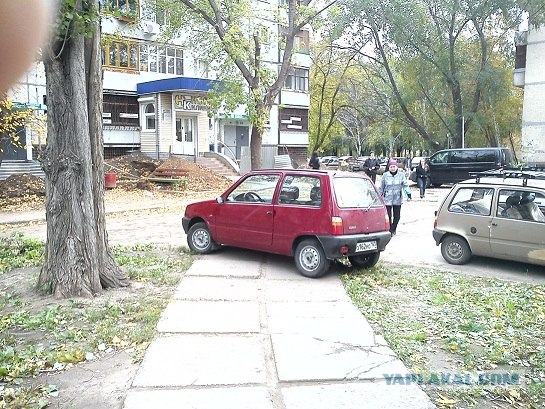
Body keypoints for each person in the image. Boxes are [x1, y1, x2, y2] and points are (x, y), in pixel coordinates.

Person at [379, 159, 411, 235]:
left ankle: (393, 228)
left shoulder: (401, 175)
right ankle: (390, 230)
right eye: (391, 167)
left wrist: (408, 194)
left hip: (397, 198)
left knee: (397, 217)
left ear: (396, 167)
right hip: (387, 198)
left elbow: (405, 185)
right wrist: (379, 196)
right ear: (389, 167)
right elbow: (381, 187)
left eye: (394, 166)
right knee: (388, 216)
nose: (392, 168)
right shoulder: (385, 175)